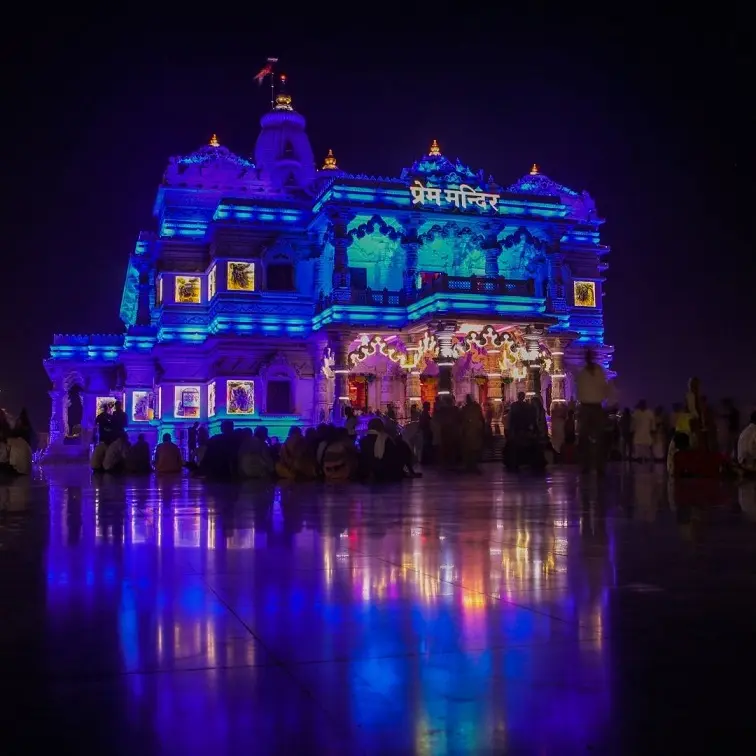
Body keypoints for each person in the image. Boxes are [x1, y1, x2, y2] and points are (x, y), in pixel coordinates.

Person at [576, 349, 610, 474]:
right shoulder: (582, 373)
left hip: (596, 406)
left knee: (600, 437)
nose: (588, 358)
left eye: (590, 356)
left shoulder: (599, 371)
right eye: (587, 356)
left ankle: (600, 466)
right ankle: (585, 465)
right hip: (585, 407)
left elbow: (605, 388)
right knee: (583, 438)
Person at [459, 394, 485, 472]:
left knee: (473, 450)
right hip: (469, 432)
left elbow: (481, 419)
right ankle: (470, 466)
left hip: (473, 432)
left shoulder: (473, 408)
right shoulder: (466, 408)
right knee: (470, 450)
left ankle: (472, 465)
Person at [632, 400, 656, 465]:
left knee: (646, 450)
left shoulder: (649, 413)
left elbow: (652, 424)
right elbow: (633, 424)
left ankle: (646, 461)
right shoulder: (636, 413)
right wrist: (632, 430)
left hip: (646, 434)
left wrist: (653, 430)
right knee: (638, 449)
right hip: (638, 435)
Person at [737, 411, 756, 476]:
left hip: (742, 462)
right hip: (750, 463)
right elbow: (750, 450)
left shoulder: (745, 431)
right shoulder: (754, 431)